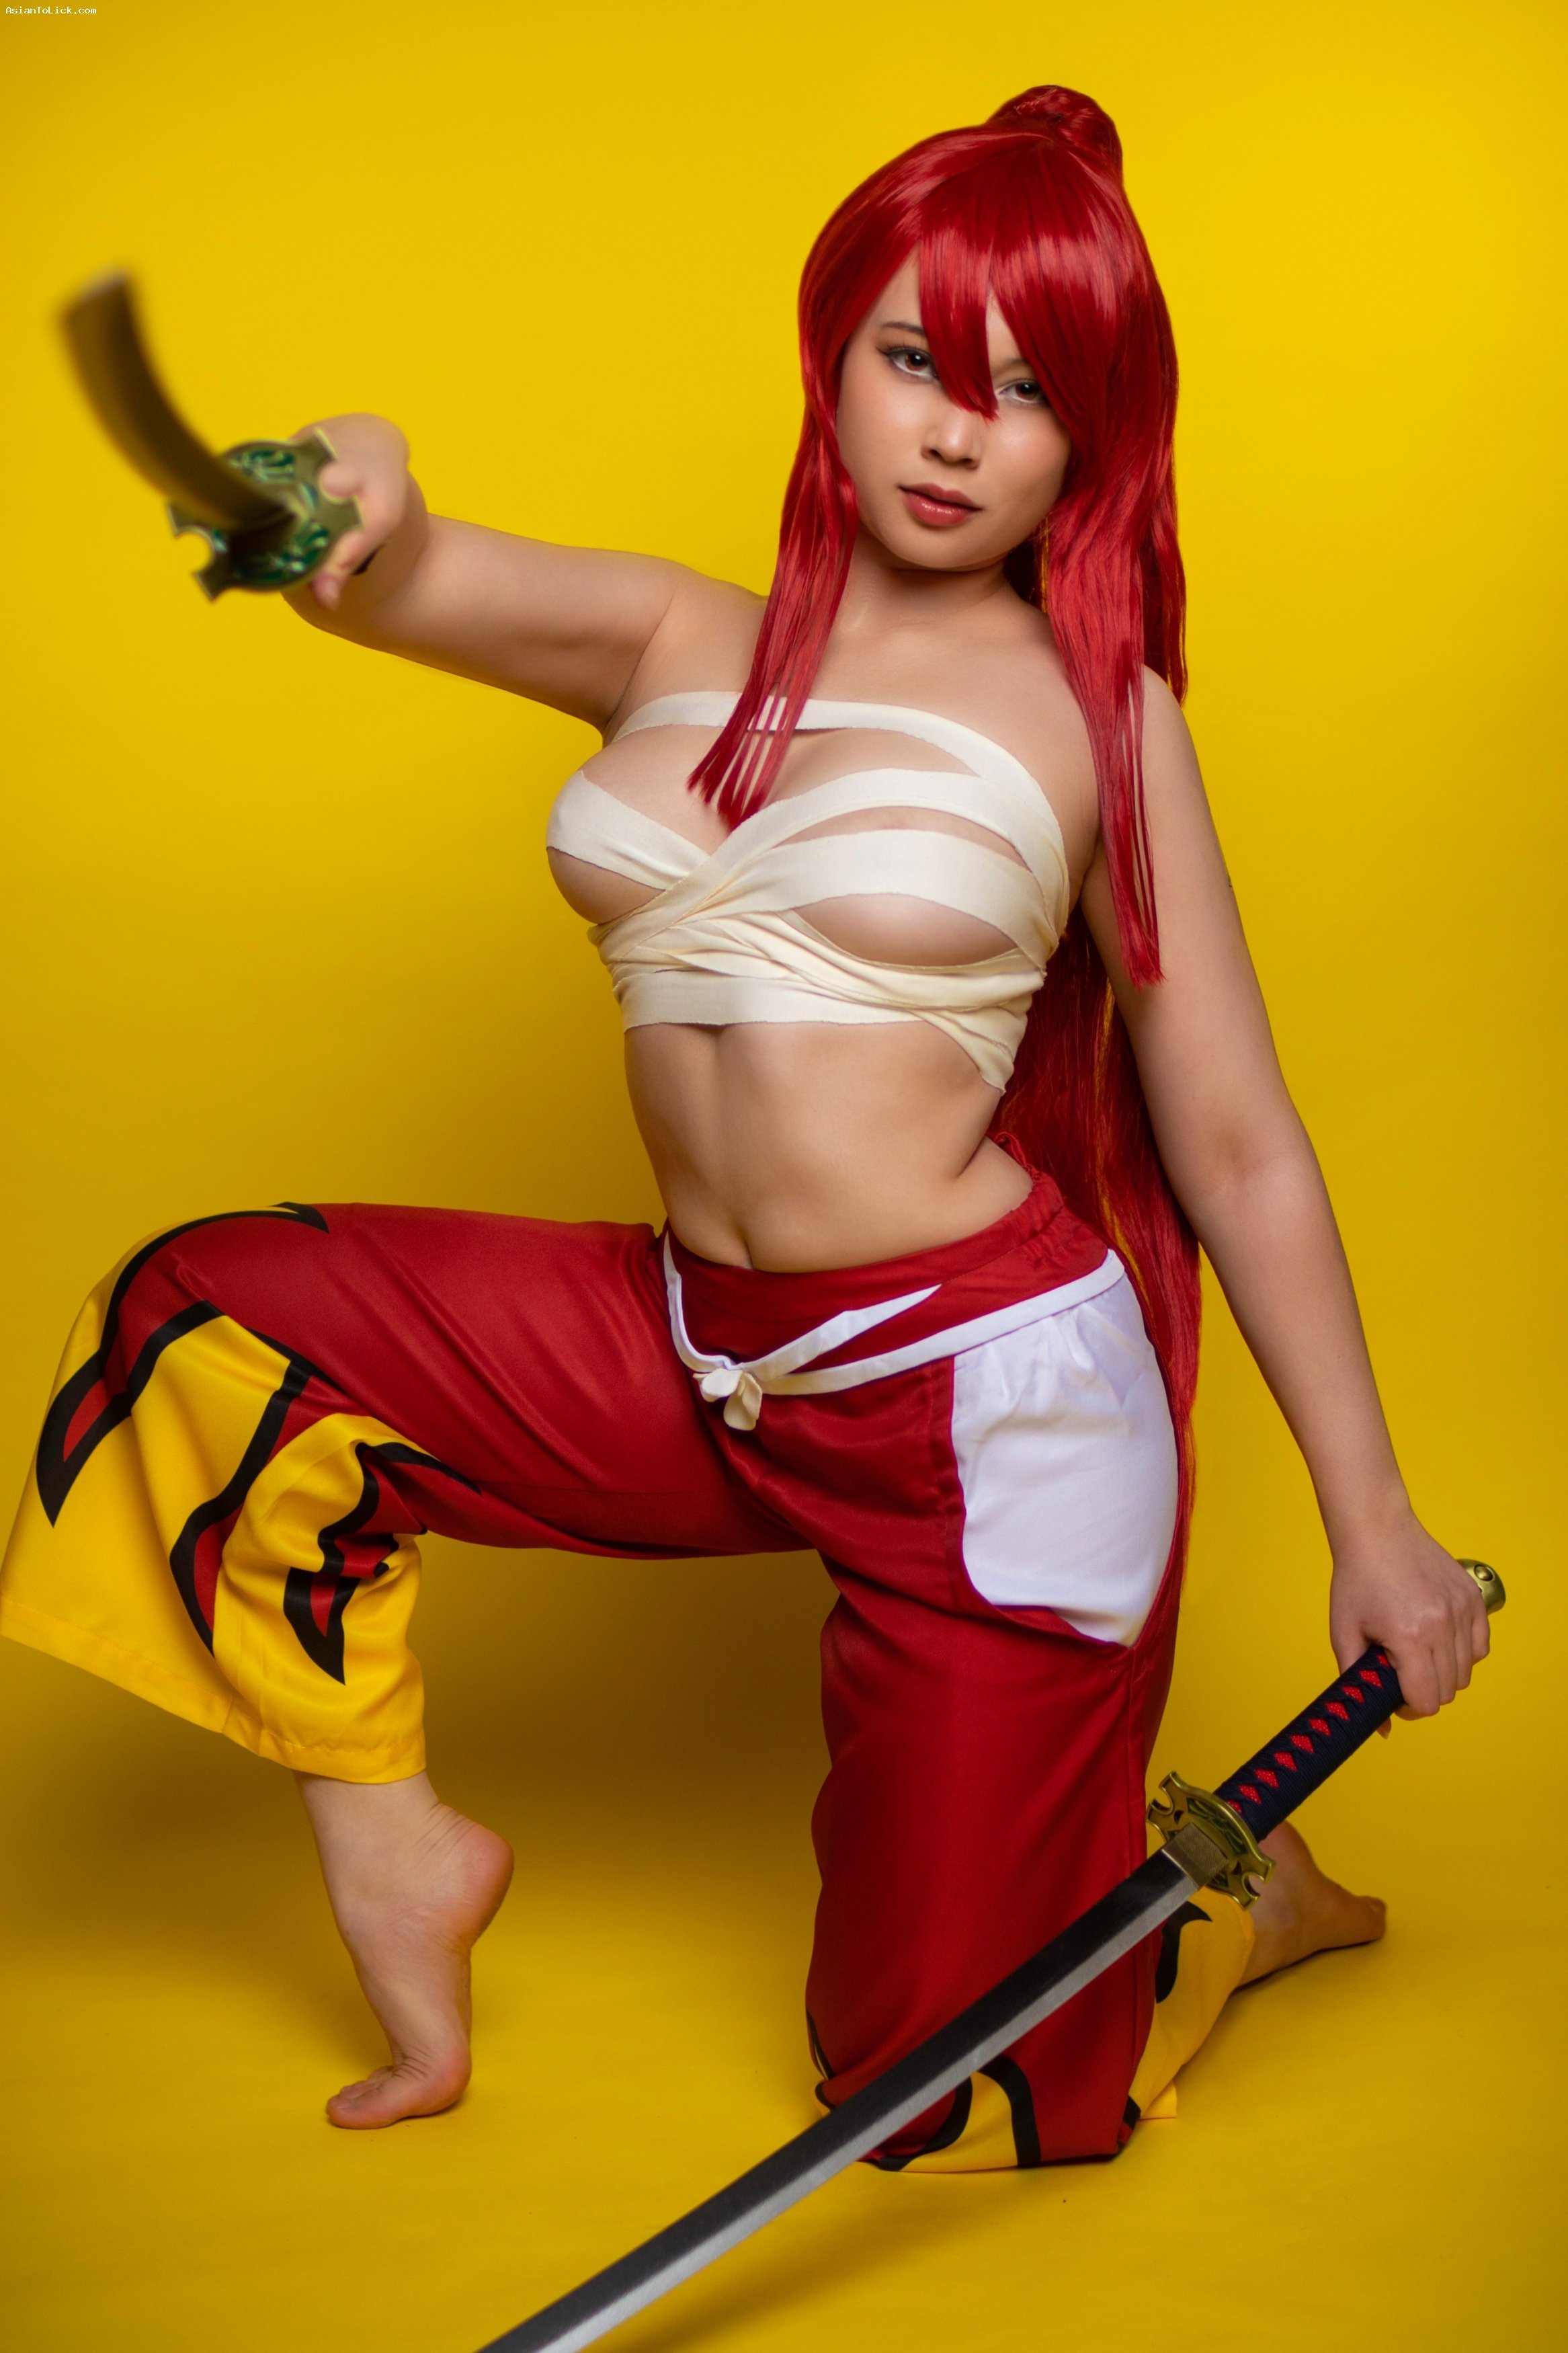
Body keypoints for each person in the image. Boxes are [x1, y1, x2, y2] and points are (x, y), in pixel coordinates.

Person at [0, 85, 1488, 2163]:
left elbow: (1236, 1143)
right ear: (832, 356)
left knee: (940, 2099)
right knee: (197, 1334)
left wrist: (1375, 1522)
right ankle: (399, 1845)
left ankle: (1222, 1900)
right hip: (700, 1354)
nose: (956, 435)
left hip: (985, 1428)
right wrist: (352, 480)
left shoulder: (1103, 715)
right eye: (916, 361)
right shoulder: (668, 637)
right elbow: (388, 571)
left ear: (1093, 437)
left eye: (1027, 394)